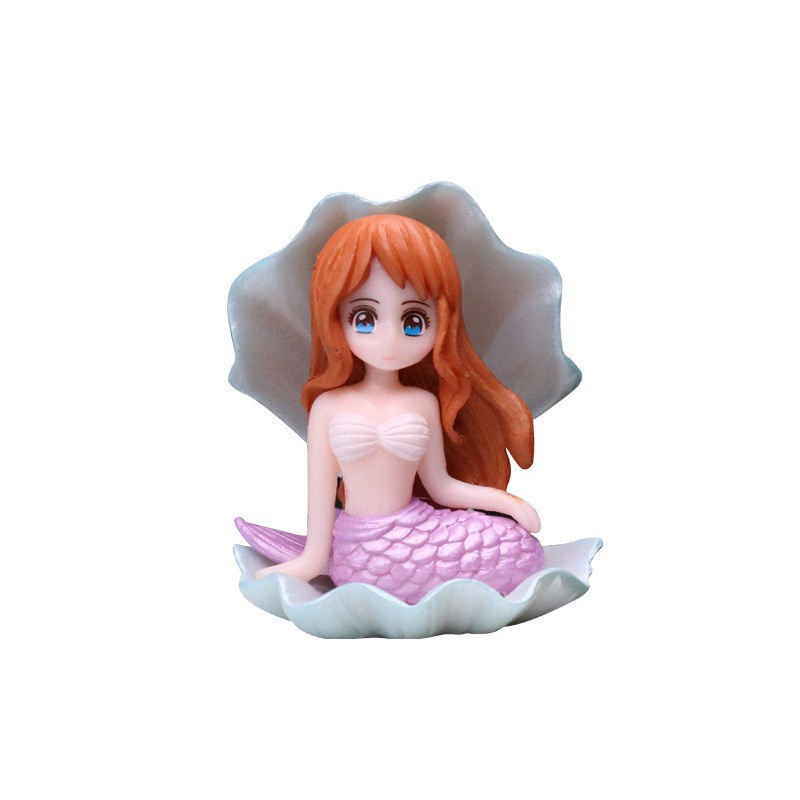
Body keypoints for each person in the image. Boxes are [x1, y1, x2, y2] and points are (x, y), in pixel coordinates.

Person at [236, 214, 545, 604]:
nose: (390, 339)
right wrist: (307, 563)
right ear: (334, 319)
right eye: (364, 318)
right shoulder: (329, 407)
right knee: (496, 554)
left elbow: (441, 487)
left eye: (413, 321)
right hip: (364, 549)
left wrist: (508, 504)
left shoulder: (422, 401)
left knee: (511, 545)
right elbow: (319, 510)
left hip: (417, 532)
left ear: (442, 322)